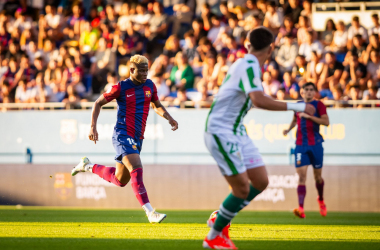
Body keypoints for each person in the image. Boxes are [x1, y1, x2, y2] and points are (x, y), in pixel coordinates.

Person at [203, 27, 315, 249]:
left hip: (236, 130)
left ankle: (220, 217)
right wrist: (298, 105)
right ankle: (214, 236)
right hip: (221, 130)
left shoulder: (247, 64)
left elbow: (255, 98)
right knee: (242, 189)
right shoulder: (249, 64)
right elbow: (258, 100)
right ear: (271, 48)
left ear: (247, 44)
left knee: (261, 181)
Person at [71, 55, 178, 223]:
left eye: (146, 71)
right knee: (136, 167)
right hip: (122, 134)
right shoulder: (120, 87)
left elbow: (156, 105)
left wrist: (169, 118)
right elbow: (97, 103)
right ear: (131, 70)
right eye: (141, 71)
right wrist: (93, 126)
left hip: (138, 137)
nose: (145, 74)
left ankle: (88, 166)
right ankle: (150, 212)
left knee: (120, 180)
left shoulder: (150, 85)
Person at [283, 82, 329, 219]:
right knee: (302, 177)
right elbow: (294, 120)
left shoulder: (319, 105)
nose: (309, 92)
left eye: (311, 90)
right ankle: (301, 208)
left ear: (314, 92)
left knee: (317, 177)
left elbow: (326, 122)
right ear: (302, 92)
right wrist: (288, 129)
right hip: (300, 145)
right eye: (306, 90)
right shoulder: (297, 105)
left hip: (316, 144)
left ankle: (320, 199)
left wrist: (310, 117)